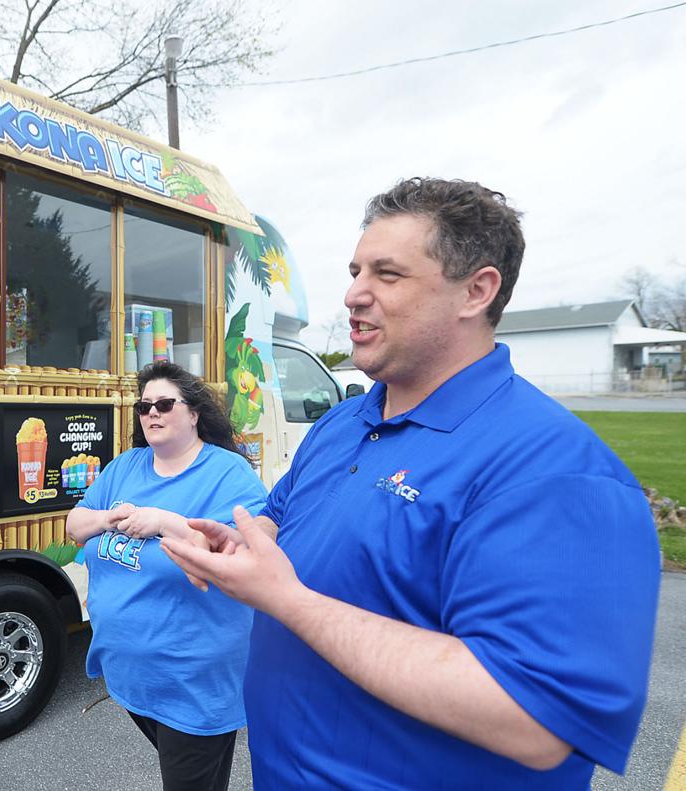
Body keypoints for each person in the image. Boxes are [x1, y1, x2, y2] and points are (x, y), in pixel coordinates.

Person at [162, 178, 661, 789]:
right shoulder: (346, 420)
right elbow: (283, 512)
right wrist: (245, 543)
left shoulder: (558, 471)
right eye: (355, 271)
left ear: (476, 291)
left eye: (388, 274)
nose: (353, 294)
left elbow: (534, 721)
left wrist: (286, 598)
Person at [66, 360, 266, 791]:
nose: (151, 413)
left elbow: (244, 552)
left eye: (163, 403)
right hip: (132, 678)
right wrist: (108, 517)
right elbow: (75, 524)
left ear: (194, 413)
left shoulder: (227, 472)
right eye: (143, 406)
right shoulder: (126, 465)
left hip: (193, 682)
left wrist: (164, 521)